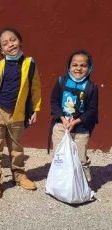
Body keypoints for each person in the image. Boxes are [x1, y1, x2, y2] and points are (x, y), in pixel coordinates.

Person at [0, 27, 41, 199]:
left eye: (13, 40)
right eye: (5, 43)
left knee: (16, 147)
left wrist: (35, 109)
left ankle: (19, 175)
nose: (10, 44)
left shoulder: (29, 64)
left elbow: (35, 88)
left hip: (18, 113)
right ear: (1, 50)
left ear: (20, 41)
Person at [50, 49, 98, 186]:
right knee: (59, 155)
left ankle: (82, 184)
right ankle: (60, 183)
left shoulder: (91, 87)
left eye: (83, 65)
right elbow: (54, 102)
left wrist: (76, 121)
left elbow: (92, 110)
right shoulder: (61, 82)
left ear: (89, 68)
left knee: (80, 157)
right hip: (61, 126)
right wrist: (63, 119)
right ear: (69, 66)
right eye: (75, 65)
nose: (78, 68)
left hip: (81, 129)